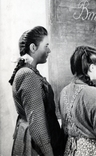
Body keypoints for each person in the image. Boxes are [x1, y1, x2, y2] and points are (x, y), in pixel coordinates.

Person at [9, 26, 64, 156]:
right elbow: (38, 126)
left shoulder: (27, 72)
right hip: (36, 148)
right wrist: (49, 153)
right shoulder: (28, 75)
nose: (49, 50)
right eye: (46, 46)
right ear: (33, 48)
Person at [59, 46, 96, 156]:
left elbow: (64, 130)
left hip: (69, 151)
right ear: (91, 67)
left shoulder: (63, 92)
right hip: (90, 152)